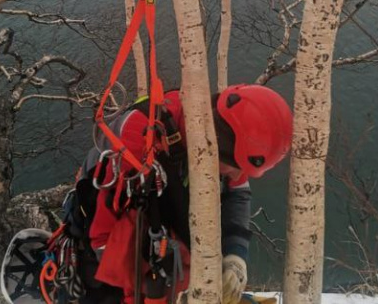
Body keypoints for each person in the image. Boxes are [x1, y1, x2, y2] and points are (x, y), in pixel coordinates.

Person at [80, 83, 293, 304]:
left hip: (167, 216)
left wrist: (235, 255)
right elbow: (103, 245)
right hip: (111, 242)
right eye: (235, 167)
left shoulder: (218, 133)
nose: (238, 174)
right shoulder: (138, 142)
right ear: (216, 146)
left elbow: (237, 193)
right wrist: (174, 291)